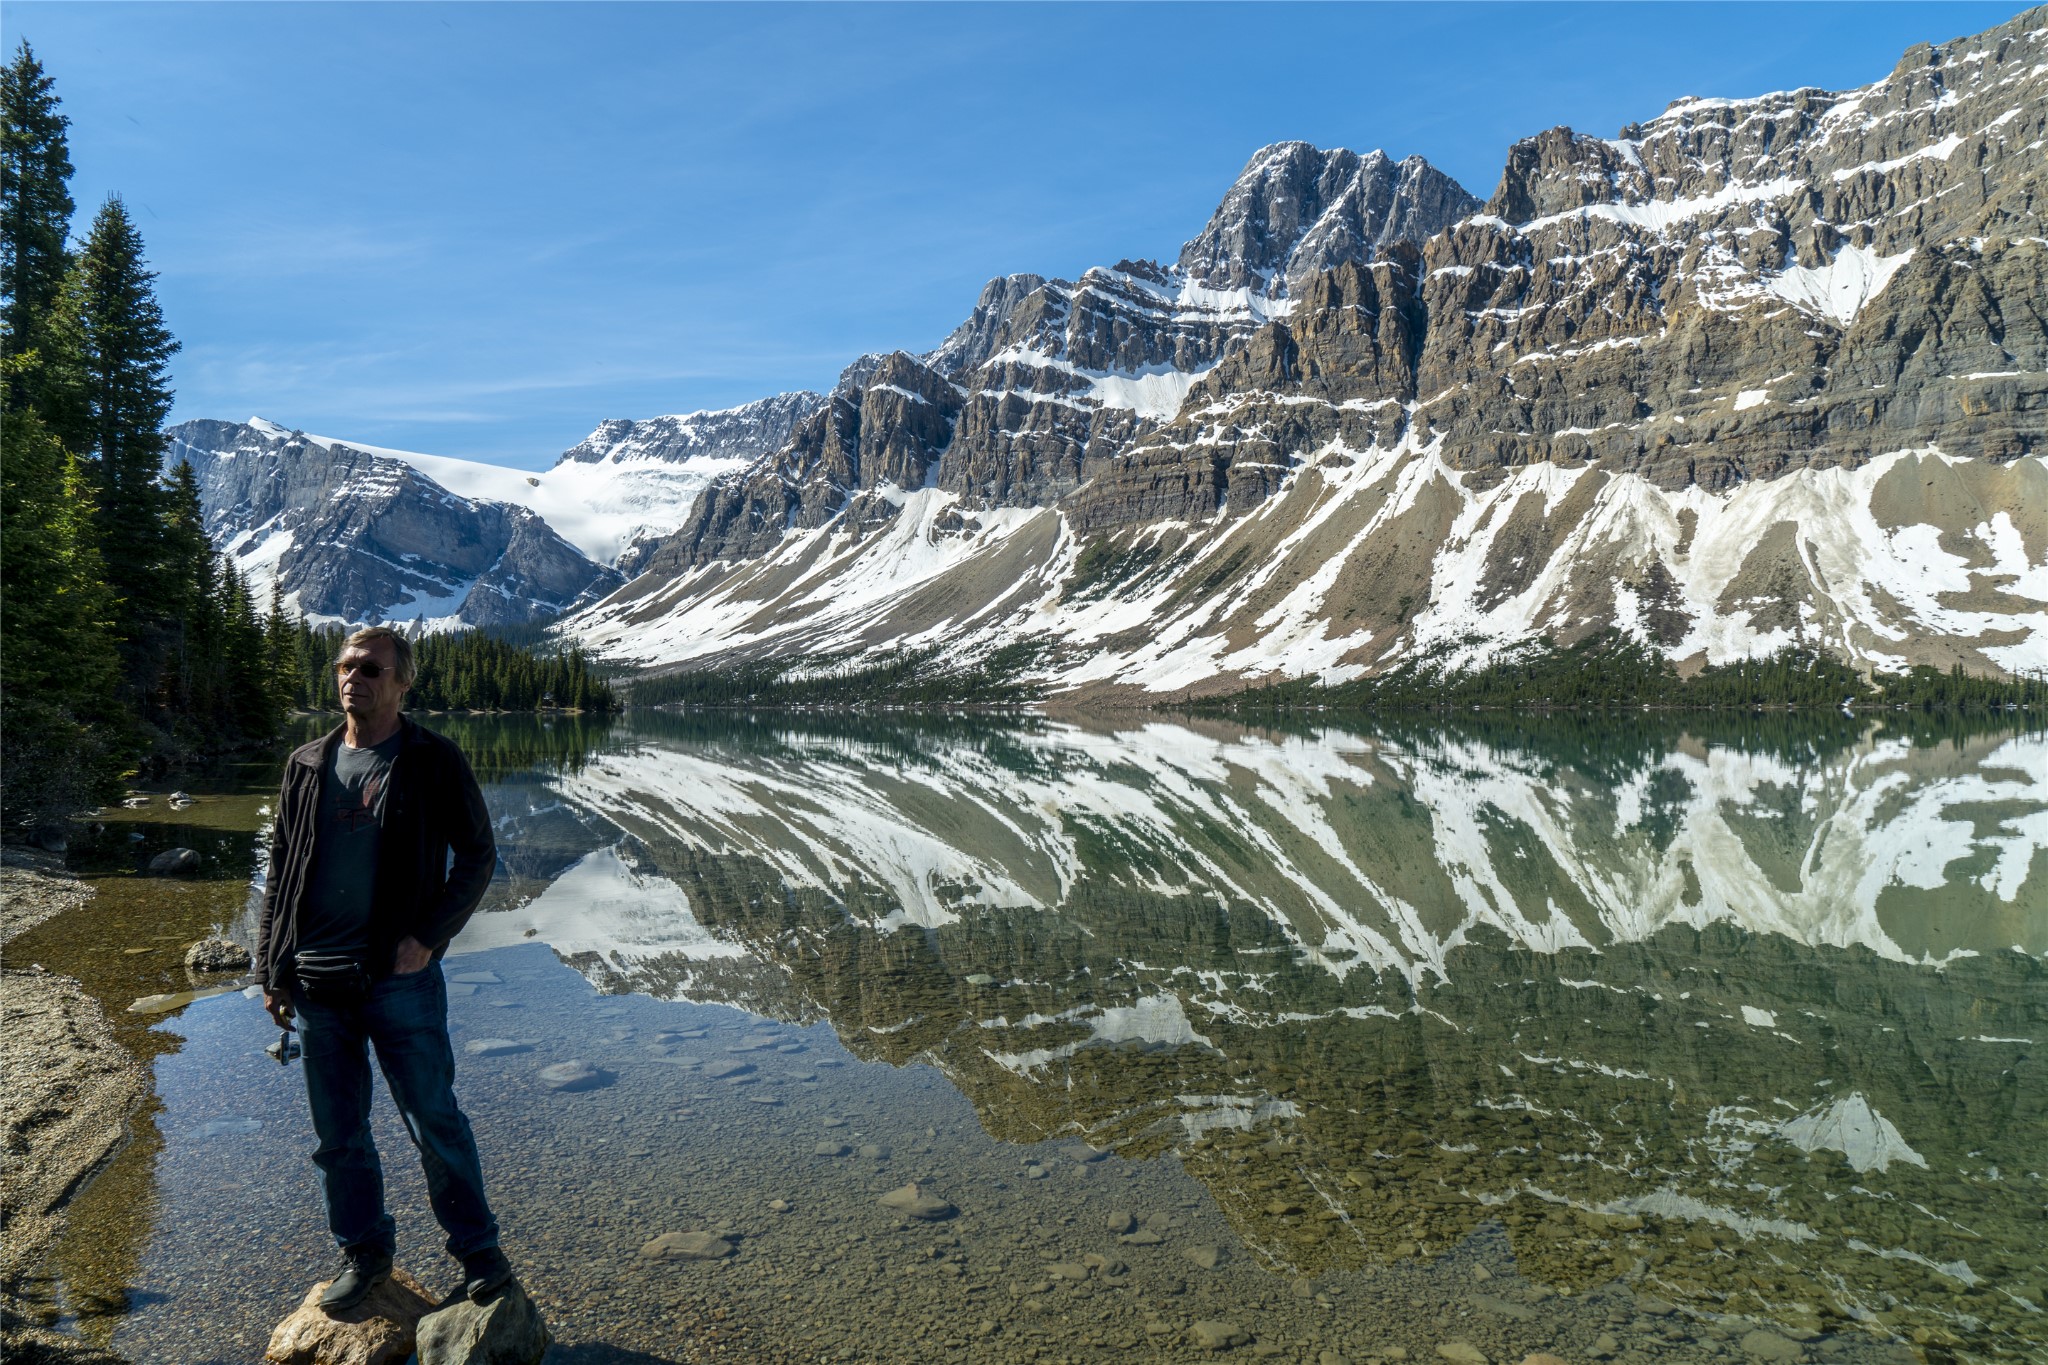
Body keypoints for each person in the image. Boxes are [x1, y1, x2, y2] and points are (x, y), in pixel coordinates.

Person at [256, 625, 513, 1311]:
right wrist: (270, 969)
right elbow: (280, 873)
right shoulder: (306, 763)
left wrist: (427, 937)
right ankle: (365, 1252)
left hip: (400, 982)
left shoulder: (432, 758)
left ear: (402, 682)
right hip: (316, 985)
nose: (353, 678)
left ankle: (482, 1257)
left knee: (434, 1120)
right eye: (345, 666)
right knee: (339, 1135)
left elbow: (479, 857)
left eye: (371, 668)